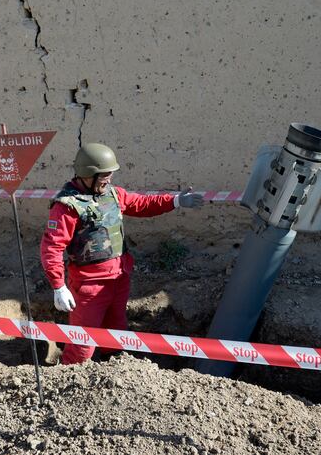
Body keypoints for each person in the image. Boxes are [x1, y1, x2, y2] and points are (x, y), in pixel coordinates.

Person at [40, 143, 203, 364]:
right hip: (89, 286)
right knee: (82, 345)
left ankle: (114, 370)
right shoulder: (67, 206)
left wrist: (174, 201)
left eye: (110, 174)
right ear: (87, 175)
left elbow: (142, 204)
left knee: (116, 334)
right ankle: (69, 377)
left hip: (119, 279)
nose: (108, 180)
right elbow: (52, 247)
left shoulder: (114, 194)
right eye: (104, 175)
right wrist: (58, 286)